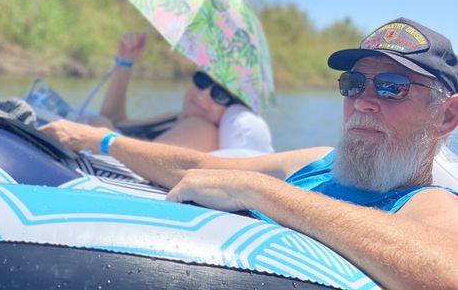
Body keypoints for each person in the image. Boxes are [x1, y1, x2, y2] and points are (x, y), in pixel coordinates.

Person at [40, 17, 458, 289]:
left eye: (391, 87)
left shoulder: (429, 206)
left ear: (446, 115)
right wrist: (101, 141)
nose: (364, 101)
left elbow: (448, 272)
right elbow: (201, 167)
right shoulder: (316, 162)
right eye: (353, 84)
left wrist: (262, 192)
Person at [85, 31, 273, 154]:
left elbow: (133, 165)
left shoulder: (202, 129)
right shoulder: (178, 119)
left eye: (220, 94)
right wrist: (126, 61)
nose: (203, 94)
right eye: (202, 80)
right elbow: (117, 121)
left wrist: (103, 130)